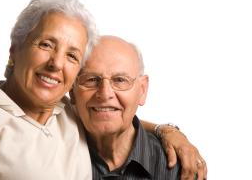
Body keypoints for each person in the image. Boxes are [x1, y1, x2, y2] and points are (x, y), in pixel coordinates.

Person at [0, 0, 206, 180]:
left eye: (72, 55)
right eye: (46, 45)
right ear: (15, 50)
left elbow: (113, 113)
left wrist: (168, 131)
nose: (56, 63)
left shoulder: (65, 112)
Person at [70, 35, 204, 179]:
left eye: (120, 80)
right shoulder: (54, 152)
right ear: (72, 90)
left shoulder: (181, 168)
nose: (105, 94)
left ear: (142, 90)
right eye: (91, 79)